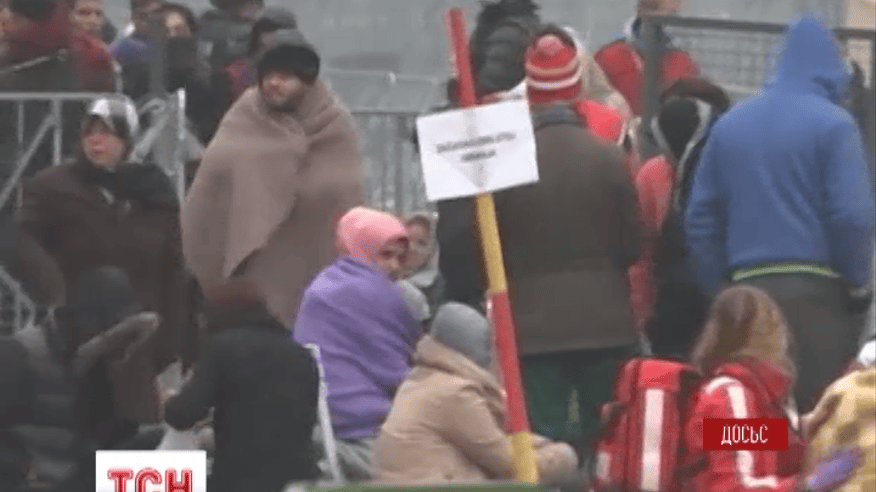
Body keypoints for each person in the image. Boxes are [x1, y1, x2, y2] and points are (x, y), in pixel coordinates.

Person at [684, 15, 876, 412]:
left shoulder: (730, 124)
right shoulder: (835, 125)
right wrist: (857, 284)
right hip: (818, 294)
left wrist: (721, 288)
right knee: (816, 410)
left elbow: (700, 219)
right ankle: (799, 454)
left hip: (746, 293)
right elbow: (851, 216)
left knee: (747, 403)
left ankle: (750, 452)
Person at [18, 94, 194, 427]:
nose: (96, 140)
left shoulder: (153, 191)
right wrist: (54, 291)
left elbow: (172, 267)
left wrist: (172, 339)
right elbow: (22, 241)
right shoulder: (54, 187)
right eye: (89, 131)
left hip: (139, 341)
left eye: (107, 132)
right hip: (79, 338)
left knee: (131, 438)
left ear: (127, 139)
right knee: (77, 431)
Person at [181, 29, 366, 325]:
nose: (273, 83)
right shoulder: (245, 116)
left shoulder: (333, 124)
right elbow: (214, 179)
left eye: (285, 76)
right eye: (267, 75)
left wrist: (296, 188)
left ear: (307, 80)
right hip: (250, 276)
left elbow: (344, 190)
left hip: (310, 257)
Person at [683, 285, 863, 492]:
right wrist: (805, 486)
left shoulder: (762, 395)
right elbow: (732, 486)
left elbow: (775, 446)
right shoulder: (730, 397)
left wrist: (831, 418)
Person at [374, 302, 578, 484]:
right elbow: (510, 463)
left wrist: (540, 445)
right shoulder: (454, 393)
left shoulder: (421, 380)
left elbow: (491, 439)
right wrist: (563, 455)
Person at [0, 267, 160, 492]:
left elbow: (114, 441)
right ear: (75, 319)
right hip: (37, 483)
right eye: (108, 327)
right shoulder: (18, 357)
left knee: (181, 470)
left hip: (82, 477)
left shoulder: (101, 368)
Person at [293, 207, 422, 481]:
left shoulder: (322, 287)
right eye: (385, 255)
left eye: (400, 258)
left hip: (321, 418)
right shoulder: (372, 293)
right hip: (366, 425)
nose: (394, 266)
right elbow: (396, 371)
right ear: (361, 248)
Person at [164, 278, 320, 492]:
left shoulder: (222, 347)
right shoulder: (300, 354)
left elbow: (183, 415)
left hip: (240, 480)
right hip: (298, 479)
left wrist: (168, 401)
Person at [628, 77, 730, 355]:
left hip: (718, 308)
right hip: (671, 312)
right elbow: (643, 254)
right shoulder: (654, 175)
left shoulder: (729, 173)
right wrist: (641, 315)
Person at [0, 0, 115, 185]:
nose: (5, 22)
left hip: (41, 165)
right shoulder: (24, 56)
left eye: (15, 18)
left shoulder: (69, 61)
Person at [594, 0, 699, 117]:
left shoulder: (683, 63)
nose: (663, 16)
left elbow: (689, 115)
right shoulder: (609, 56)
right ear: (640, 9)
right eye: (653, 8)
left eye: (672, 13)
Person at [218, 7, 297, 114]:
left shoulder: (300, 70)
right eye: (270, 31)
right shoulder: (236, 71)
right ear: (258, 34)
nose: (276, 37)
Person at [402, 212, 444, 311]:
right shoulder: (381, 280)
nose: (412, 248)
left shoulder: (439, 290)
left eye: (422, 243)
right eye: (407, 241)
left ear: (433, 249)